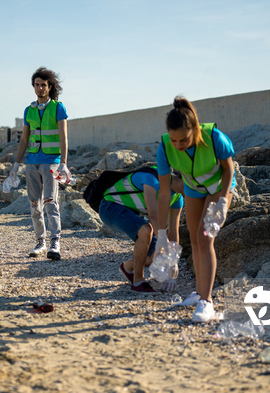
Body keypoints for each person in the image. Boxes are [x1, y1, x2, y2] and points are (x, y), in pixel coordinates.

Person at [156, 96, 236, 322]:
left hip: (219, 188)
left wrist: (223, 201)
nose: (178, 145)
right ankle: (199, 292)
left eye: (184, 140)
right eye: (174, 140)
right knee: (194, 238)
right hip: (193, 189)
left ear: (195, 129)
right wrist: (161, 234)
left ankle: (207, 302)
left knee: (205, 238)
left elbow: (229, 169)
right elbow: (164, 192)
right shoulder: (165, 147)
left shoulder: (214, 137)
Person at [10, 67, 69, 260]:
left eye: (43, 85)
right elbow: (24, 140)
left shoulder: (58, 108)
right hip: (32, 162)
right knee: (35, 204)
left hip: (51, 162)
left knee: (51, 202)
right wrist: (16, 164)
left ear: (49, 86)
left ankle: (55, 242)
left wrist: (64, 163)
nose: (40, 88)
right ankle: (40, 242)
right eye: (37, 85)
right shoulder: (29, 110)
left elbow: (63, 138)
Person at [98, 167, 185, 293]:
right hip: (109, 207)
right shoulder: (153, 179)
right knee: (146, 229)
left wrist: (173, 259)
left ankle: (127, 267)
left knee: (158, 256)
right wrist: (164, 242)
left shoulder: (177, 198)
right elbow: (153, 216)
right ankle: (138, 281)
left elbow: (173, 231)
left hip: (133, 215)